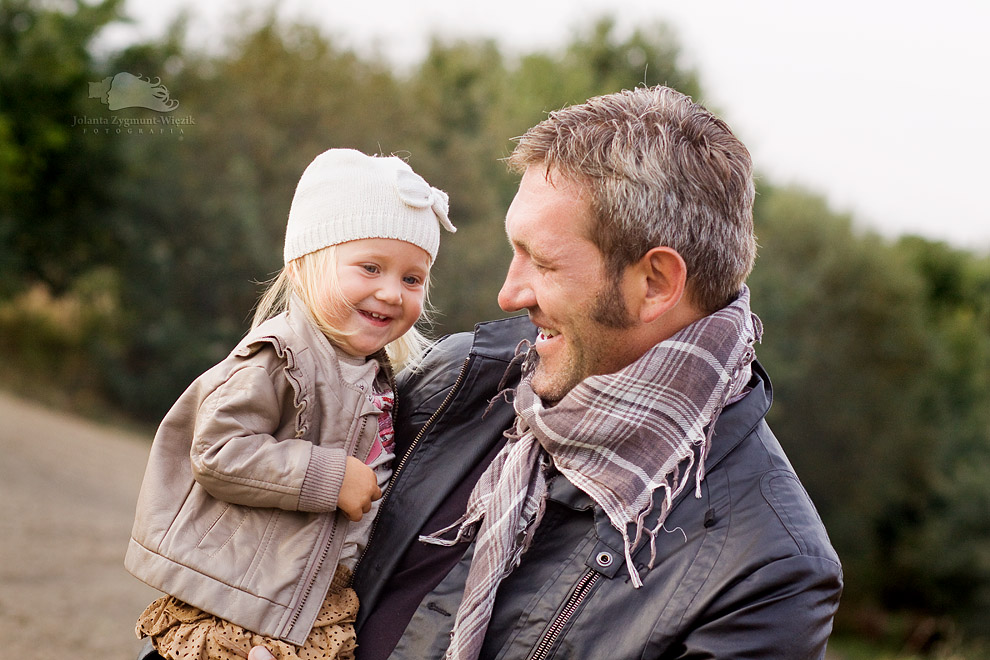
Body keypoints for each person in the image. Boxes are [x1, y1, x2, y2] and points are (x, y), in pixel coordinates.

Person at [237, 85, 842, 660]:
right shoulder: (460, 379)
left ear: (654, 283)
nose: (508, 293)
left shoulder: (768, 574)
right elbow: (250, 563)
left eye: (542, 261)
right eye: (513, 250)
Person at [125, 147, 455, 660]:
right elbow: (218, 450)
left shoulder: (377, 375)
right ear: (306, 265)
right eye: (371, 267)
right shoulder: (279, 356)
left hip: (318, 595)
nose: (392, 292)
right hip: (245, 596)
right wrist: (329, 477)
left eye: (413, 279)